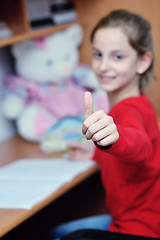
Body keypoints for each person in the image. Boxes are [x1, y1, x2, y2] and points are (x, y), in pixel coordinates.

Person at [48, 9, 160, 239]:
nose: (103, 66)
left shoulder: (129, 110)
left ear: (142, 61)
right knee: (56, 232)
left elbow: (140, 146)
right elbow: (128, 161)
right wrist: (95, 153)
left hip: (140, 229)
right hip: (133, 220)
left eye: (117, 57)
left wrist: (115, 137)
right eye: (98, 54)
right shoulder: (139, 102)